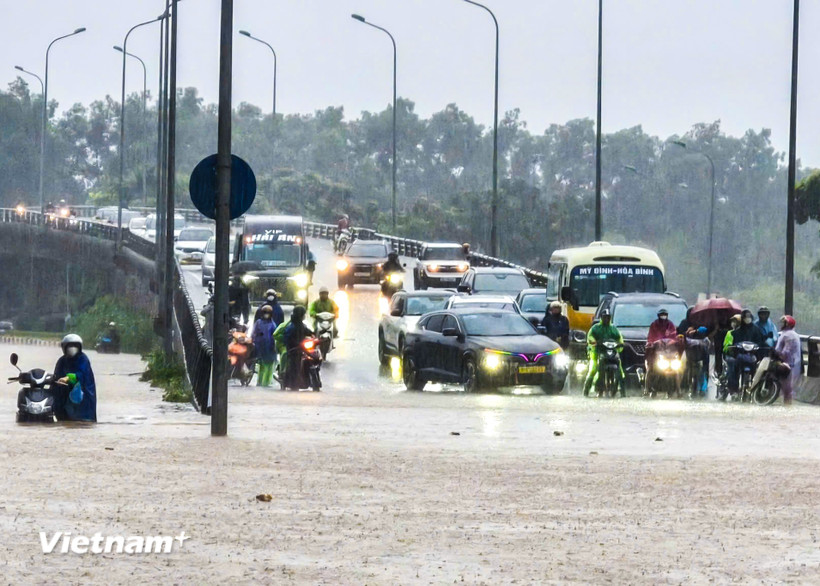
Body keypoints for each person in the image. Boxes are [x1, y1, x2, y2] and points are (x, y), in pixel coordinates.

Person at [52, 334, 97, 422]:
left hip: (82, 396)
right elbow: (56, 376)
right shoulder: (62, 361)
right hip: (65, 395)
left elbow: (81, 374)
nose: (72, 348)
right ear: (64, 347)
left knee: (82, 421)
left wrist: (67, 378)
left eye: (75, 346)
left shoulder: (83, 359)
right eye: (69, 346)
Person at [723, 309, 765, 398]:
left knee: (758, 371)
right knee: (734, 370)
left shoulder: (756, 330)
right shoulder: (738, 331)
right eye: (745, 317)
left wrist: (760, 347)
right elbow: (734, 342)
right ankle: (733, 390)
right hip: (740, 355)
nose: (747, 319)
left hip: (752, 355)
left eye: (749, 317)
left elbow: (760, 341)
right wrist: (734, 348)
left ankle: (756, 390)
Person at [583, 309, 625, 397]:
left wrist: (620, 344)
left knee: (620, 368)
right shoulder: (596, 328)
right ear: (601, 318)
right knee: (593, 368)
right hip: (597, 351)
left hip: (611, 351)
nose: (606, 319)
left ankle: (622, 390)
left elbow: (619, 337)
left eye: (608, 317)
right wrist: (594, 342)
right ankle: (586, 390)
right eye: (605, 317)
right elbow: (590, 336)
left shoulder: (613, 328)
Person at [283, 306, 314, 389]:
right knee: (294, 366)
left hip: (301, 348)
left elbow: (307, 331)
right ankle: (292, 383)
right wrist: (294, 344)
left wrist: (313, 334)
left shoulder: (301, 324)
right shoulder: (292, 326)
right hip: (293, 349)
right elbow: (287, 338)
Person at [773, 315, 801, 405]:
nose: (781, 324)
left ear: (788, 324)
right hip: (791, 363)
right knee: (787, 388)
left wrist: (778, 356)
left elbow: (787, 351)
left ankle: (787, 406)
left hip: (789, 364)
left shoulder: (789, 335)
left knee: (787, 388)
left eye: (783, 322)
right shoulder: (788, 333)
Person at [252, 305, 278, 388]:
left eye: (268, 313)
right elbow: (254, 334)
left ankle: (266, 382)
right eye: (265, 313)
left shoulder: (272, 324)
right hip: (261, 347)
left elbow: (275, 336)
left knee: (269, 366)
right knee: (262, 365)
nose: (266, 314)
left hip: (270, 347)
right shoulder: (258, 322)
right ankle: (260, 382)